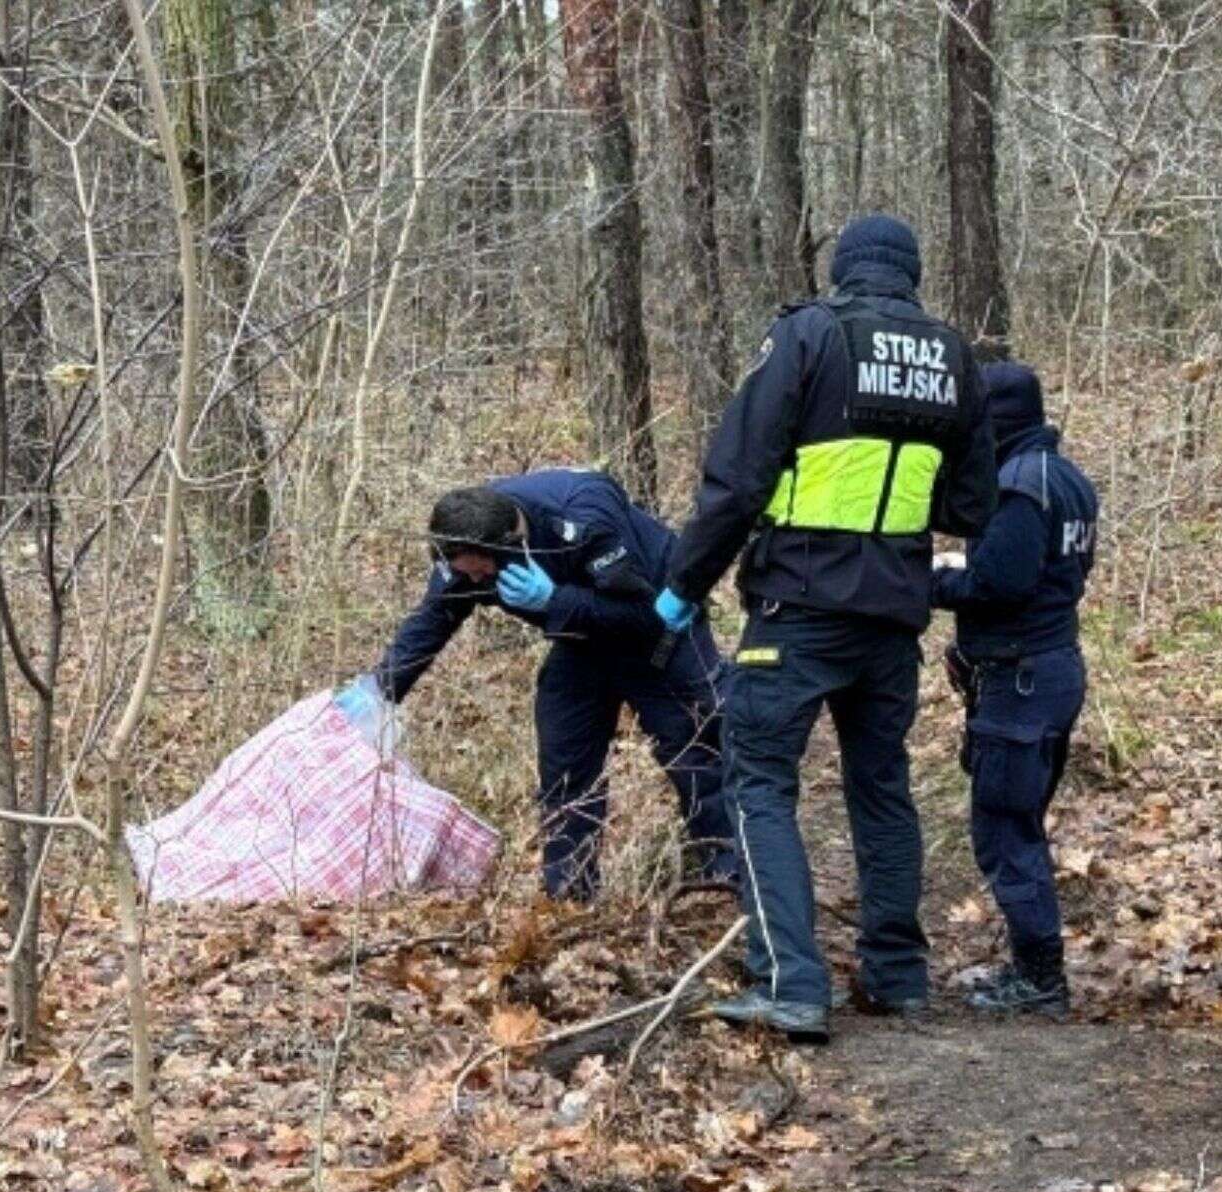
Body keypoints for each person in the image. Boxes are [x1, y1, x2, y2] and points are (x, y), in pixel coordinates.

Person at [654, 214, 1000, 1043]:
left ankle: (790, 981)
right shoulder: (953, 358)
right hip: (893, 613)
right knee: (881, 788)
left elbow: (738, 480)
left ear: (843, 270)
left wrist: (683, 585)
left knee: (758, 783)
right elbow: (972, 504)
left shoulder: (811, 335)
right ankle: (898, 975)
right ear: (911, 275)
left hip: (798, 605)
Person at [349, 470, 736, 901]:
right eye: (468, 577)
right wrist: (379, 692)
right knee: (565, 759)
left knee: (691, 750)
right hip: (580, 637)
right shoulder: (465, 538)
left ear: (509, 547)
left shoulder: (584, 521)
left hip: (659, 629)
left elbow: (643, 616)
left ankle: (732, 876)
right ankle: (569, 895)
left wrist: (555, 600)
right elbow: (433, 620)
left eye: (481, 574)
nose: (477, 584)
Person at [932, 362, 1098, 1016]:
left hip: (1022, 680)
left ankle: (1040, 980)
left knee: (1004, 829)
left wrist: (926, 582)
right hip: (1049, 669)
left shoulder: (1020, 487)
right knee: (1018, 821)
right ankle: (1033, 965)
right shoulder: (1069, 482)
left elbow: (998, 583)